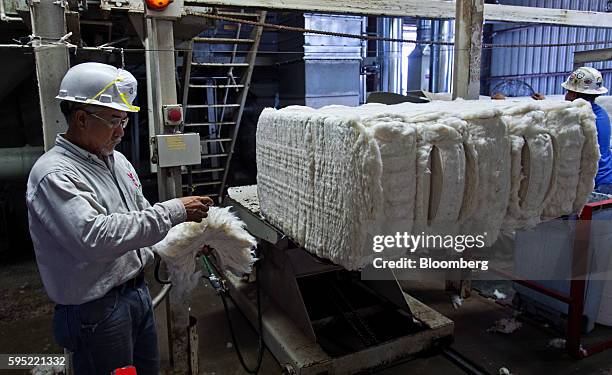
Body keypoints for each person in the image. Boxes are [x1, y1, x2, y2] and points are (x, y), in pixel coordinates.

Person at [26, 62, 212, 375]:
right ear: (81, 118)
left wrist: (186, 244)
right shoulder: (55, 174)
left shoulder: (116, 160)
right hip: (96, 311)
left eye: (124, 120)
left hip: (135, 295)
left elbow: (137, 221)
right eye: (114, 119)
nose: (122, 130)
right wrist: (175, 209)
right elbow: (96, 239)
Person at [561, 66, 612, 194]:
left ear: (574, 95)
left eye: (568, 92)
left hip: (595, 185)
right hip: (607, 177)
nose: (566, 96)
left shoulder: (579, 119)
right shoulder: (601, 113)